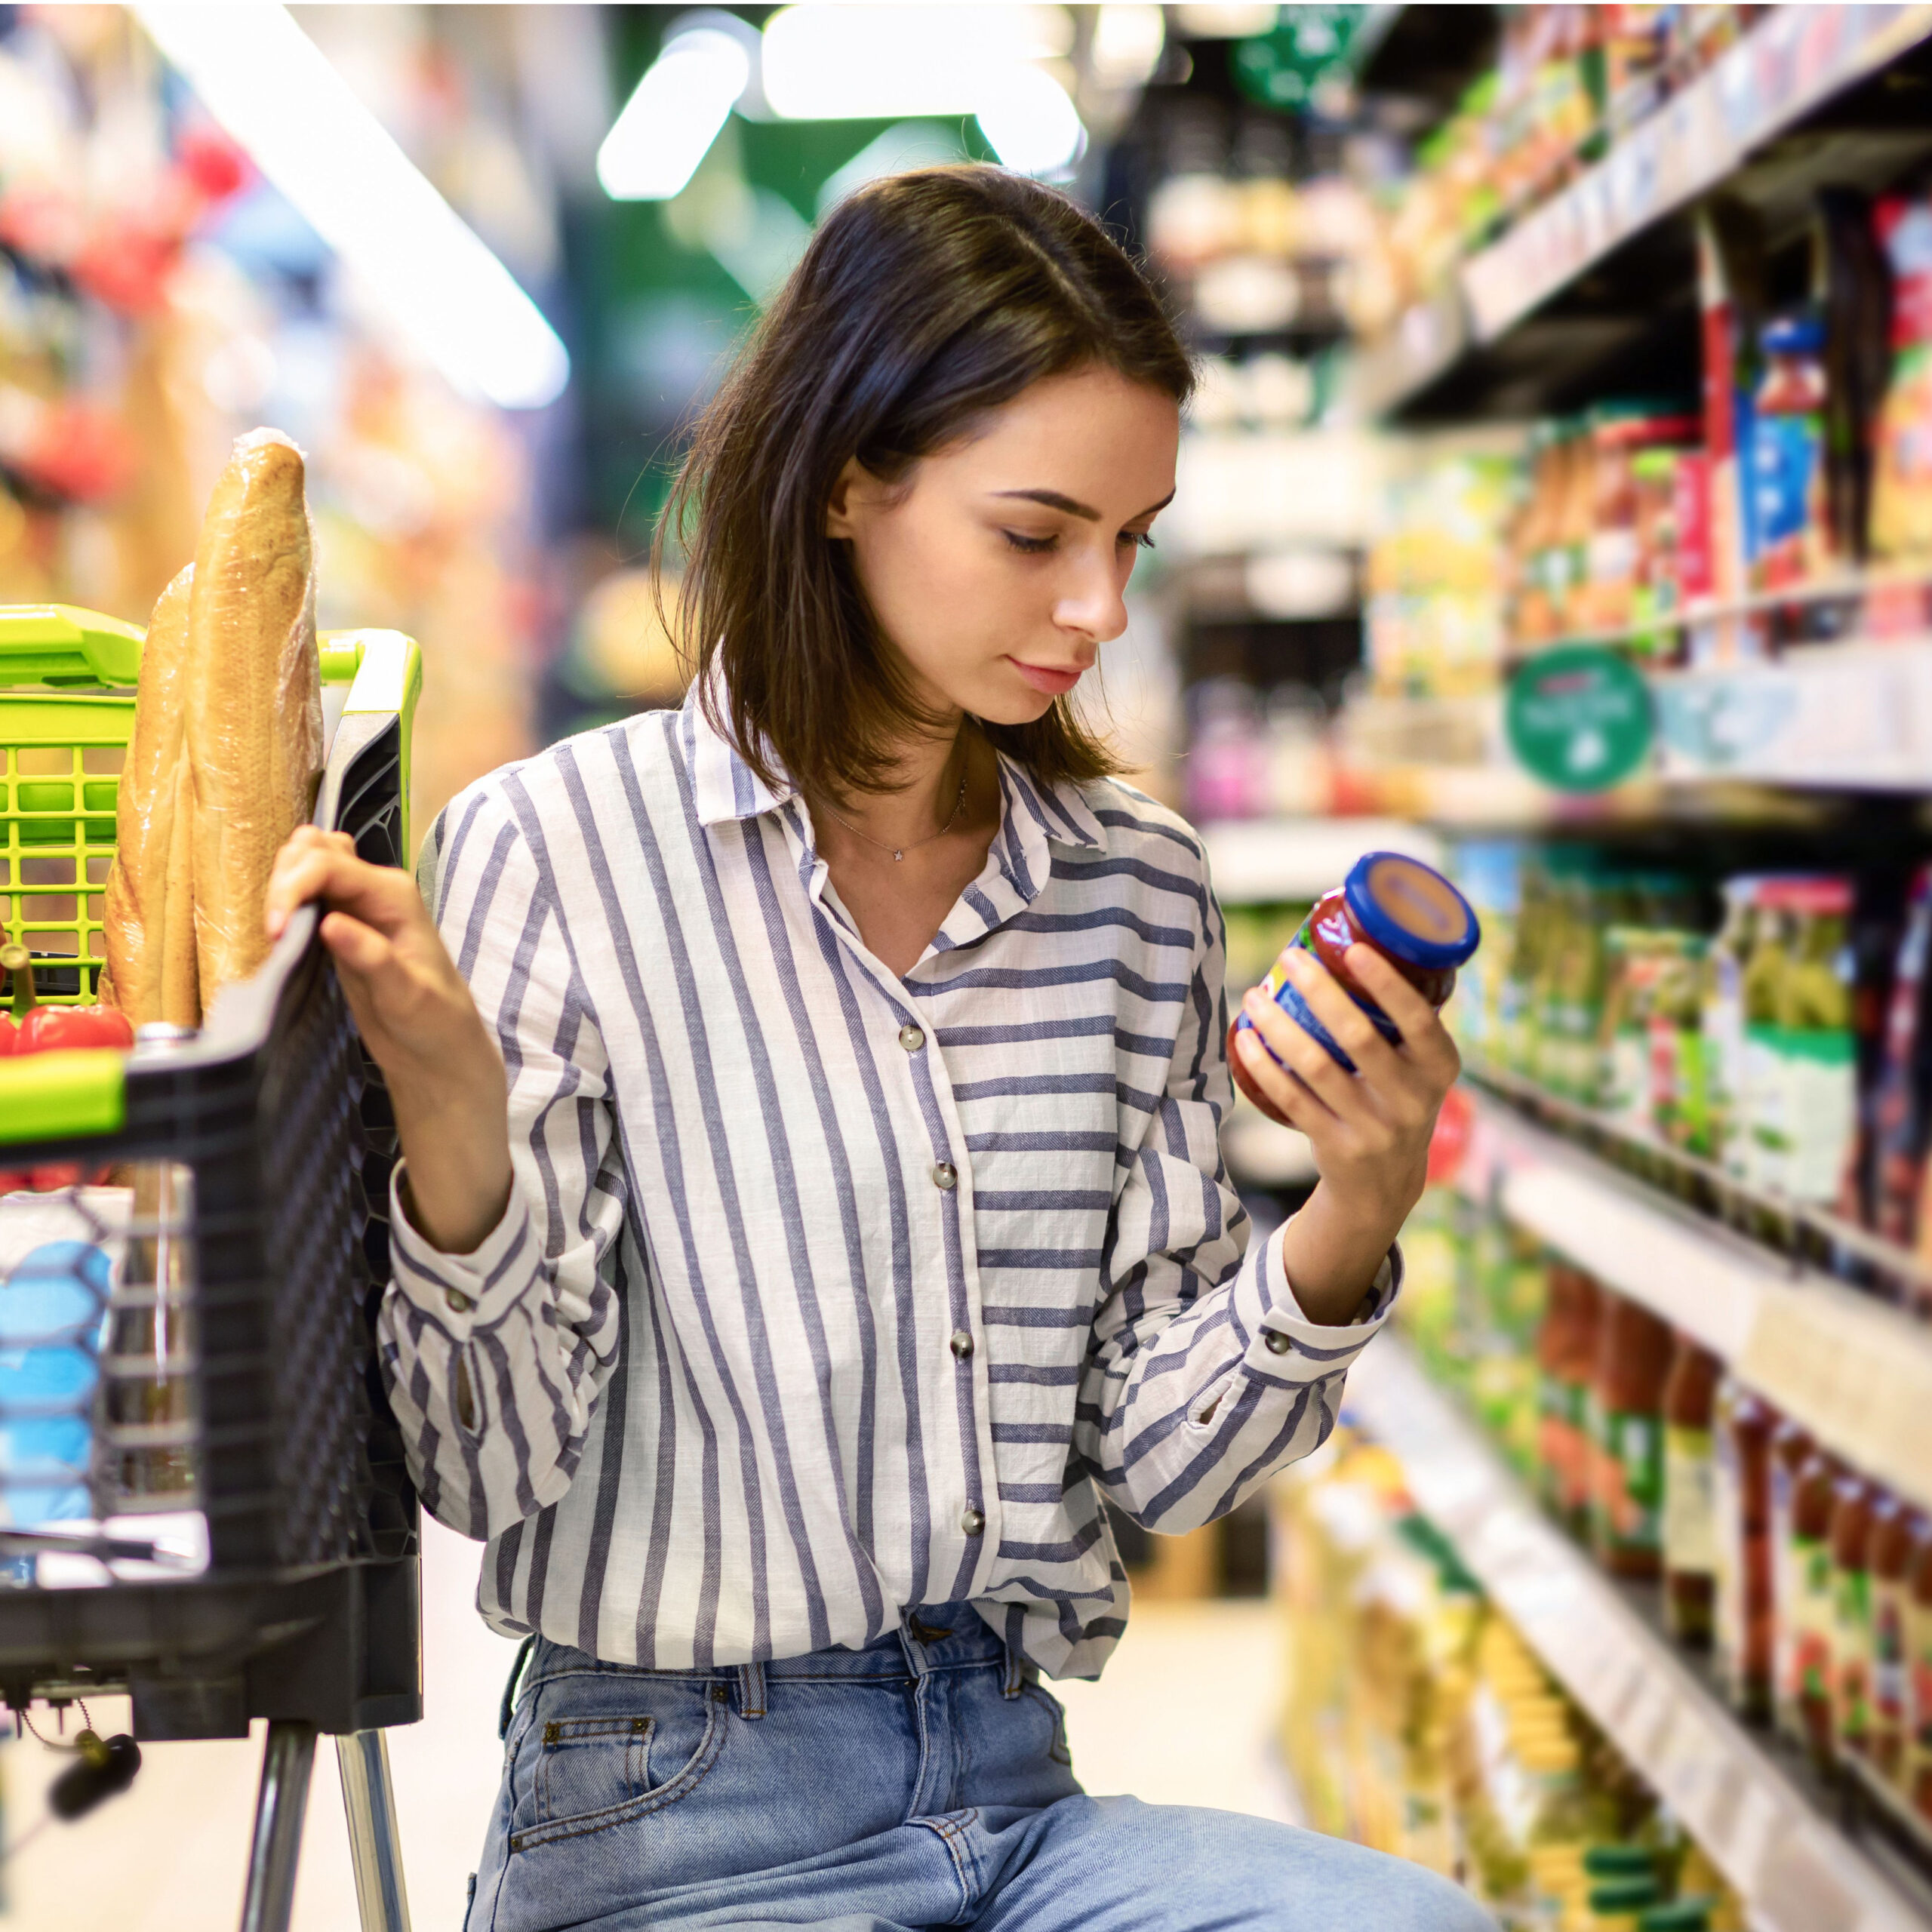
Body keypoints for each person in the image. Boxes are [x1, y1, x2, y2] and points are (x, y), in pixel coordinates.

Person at [268, 167, 1486, 1932]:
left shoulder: (1130, 883)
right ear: (848, 478)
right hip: (662, 1794)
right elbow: (485, 1470)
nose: (1097, 610)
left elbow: (1160, 1462)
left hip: (1009, 1770)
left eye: (1128, 539)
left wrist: (1351, 1209)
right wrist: (453, 1138)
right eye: (1033, 532)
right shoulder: (558, 845)